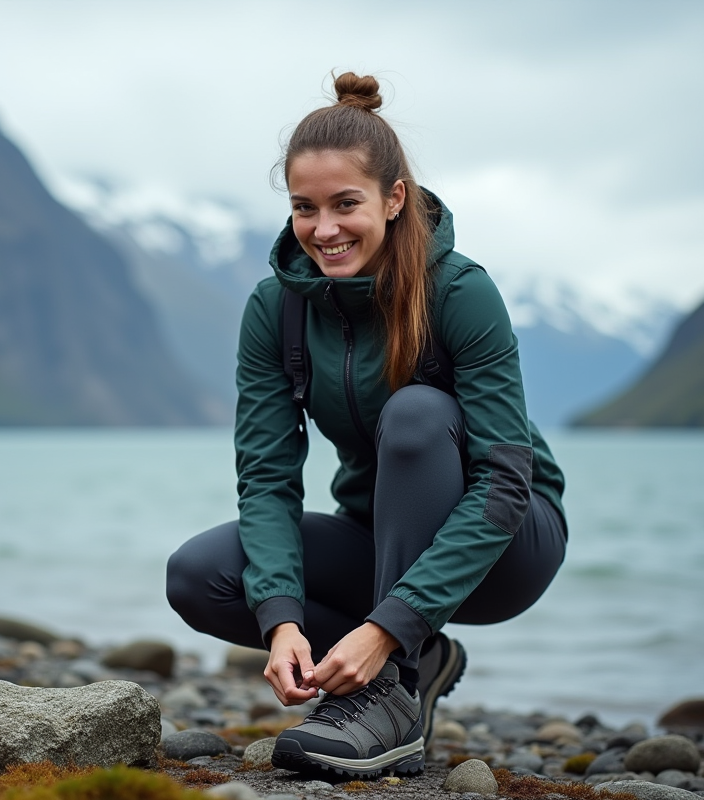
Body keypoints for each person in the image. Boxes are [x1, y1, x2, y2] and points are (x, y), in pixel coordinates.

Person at [166, 72, 567, 780]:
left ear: (394, 198)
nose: (324, 230)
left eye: (345, 203)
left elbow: (507, 482)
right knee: (201, 577)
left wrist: (386, 627)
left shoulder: (461, 292)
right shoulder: (277, 308)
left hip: (508, 546)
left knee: (417, 411)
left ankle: (389, 684)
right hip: (378, 540)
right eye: (303, 208)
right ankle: (418, 664)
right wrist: (283, 619)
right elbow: (266, 478)